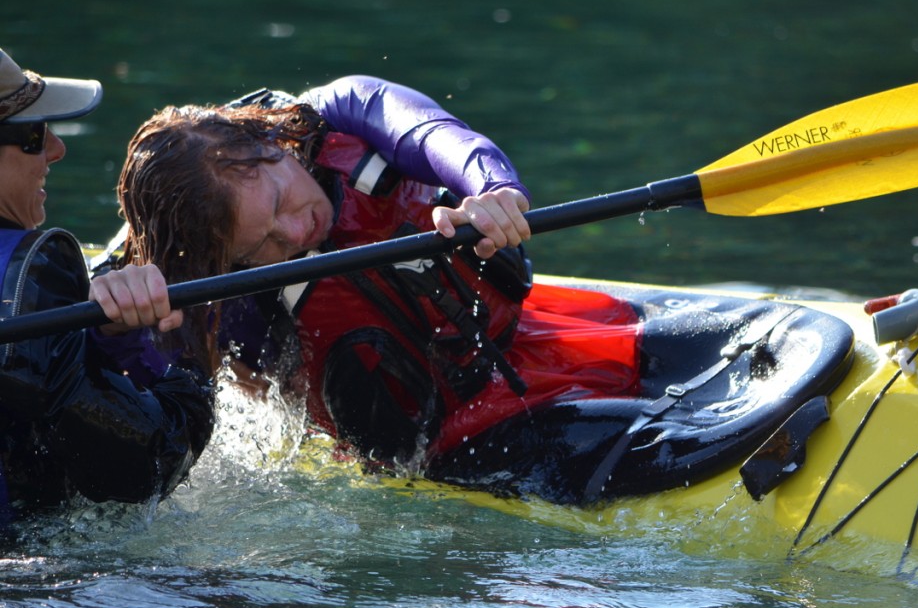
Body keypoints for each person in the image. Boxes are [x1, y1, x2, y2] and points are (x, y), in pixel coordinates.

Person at [116, 76, 840, 506]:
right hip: (446, 441)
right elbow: (153, 434)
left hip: (529, 343)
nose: (293, 233)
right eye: (264, 243)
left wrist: (492, 191)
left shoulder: (341, 113)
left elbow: (434, 134)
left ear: (270, 143)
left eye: (279, 202)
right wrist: (132, 324)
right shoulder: (200, 286)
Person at [0, 48, 215, 521]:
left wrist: (95, 336)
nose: (58, 149)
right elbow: (146, 466)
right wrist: (161, 352)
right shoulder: (32, 277)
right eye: (34, 135)